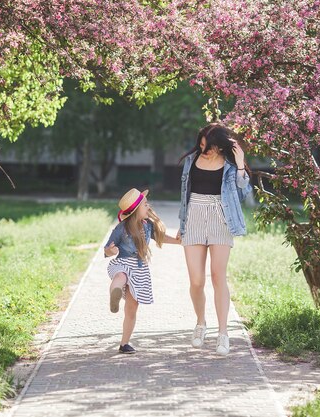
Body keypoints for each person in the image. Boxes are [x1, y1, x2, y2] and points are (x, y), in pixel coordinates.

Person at [177, 123, 253, 356]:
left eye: (208, 146)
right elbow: (184, 195)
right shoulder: (192, 162)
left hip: (221, 218)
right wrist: (182, 223)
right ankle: (201, 323)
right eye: (200, 145)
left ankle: (223, 333)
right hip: (194, 218)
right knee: (197, 280)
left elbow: (244, 191)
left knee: (219, 276)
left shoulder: (230, 166)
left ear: (219, 146)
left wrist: (240, 165)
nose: (203, 150)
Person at [104, 188, 180, 354]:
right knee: (120, 275)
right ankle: (114, 296)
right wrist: (111, 251)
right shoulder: (121, 228)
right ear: (136, 209)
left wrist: (178, 241)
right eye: (145, 204)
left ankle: (124, 344)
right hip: (123, 262)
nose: (148, 206)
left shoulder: (147, 226)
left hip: (139, 269)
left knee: (132, 307)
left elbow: (161, 238)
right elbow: (107, 249)